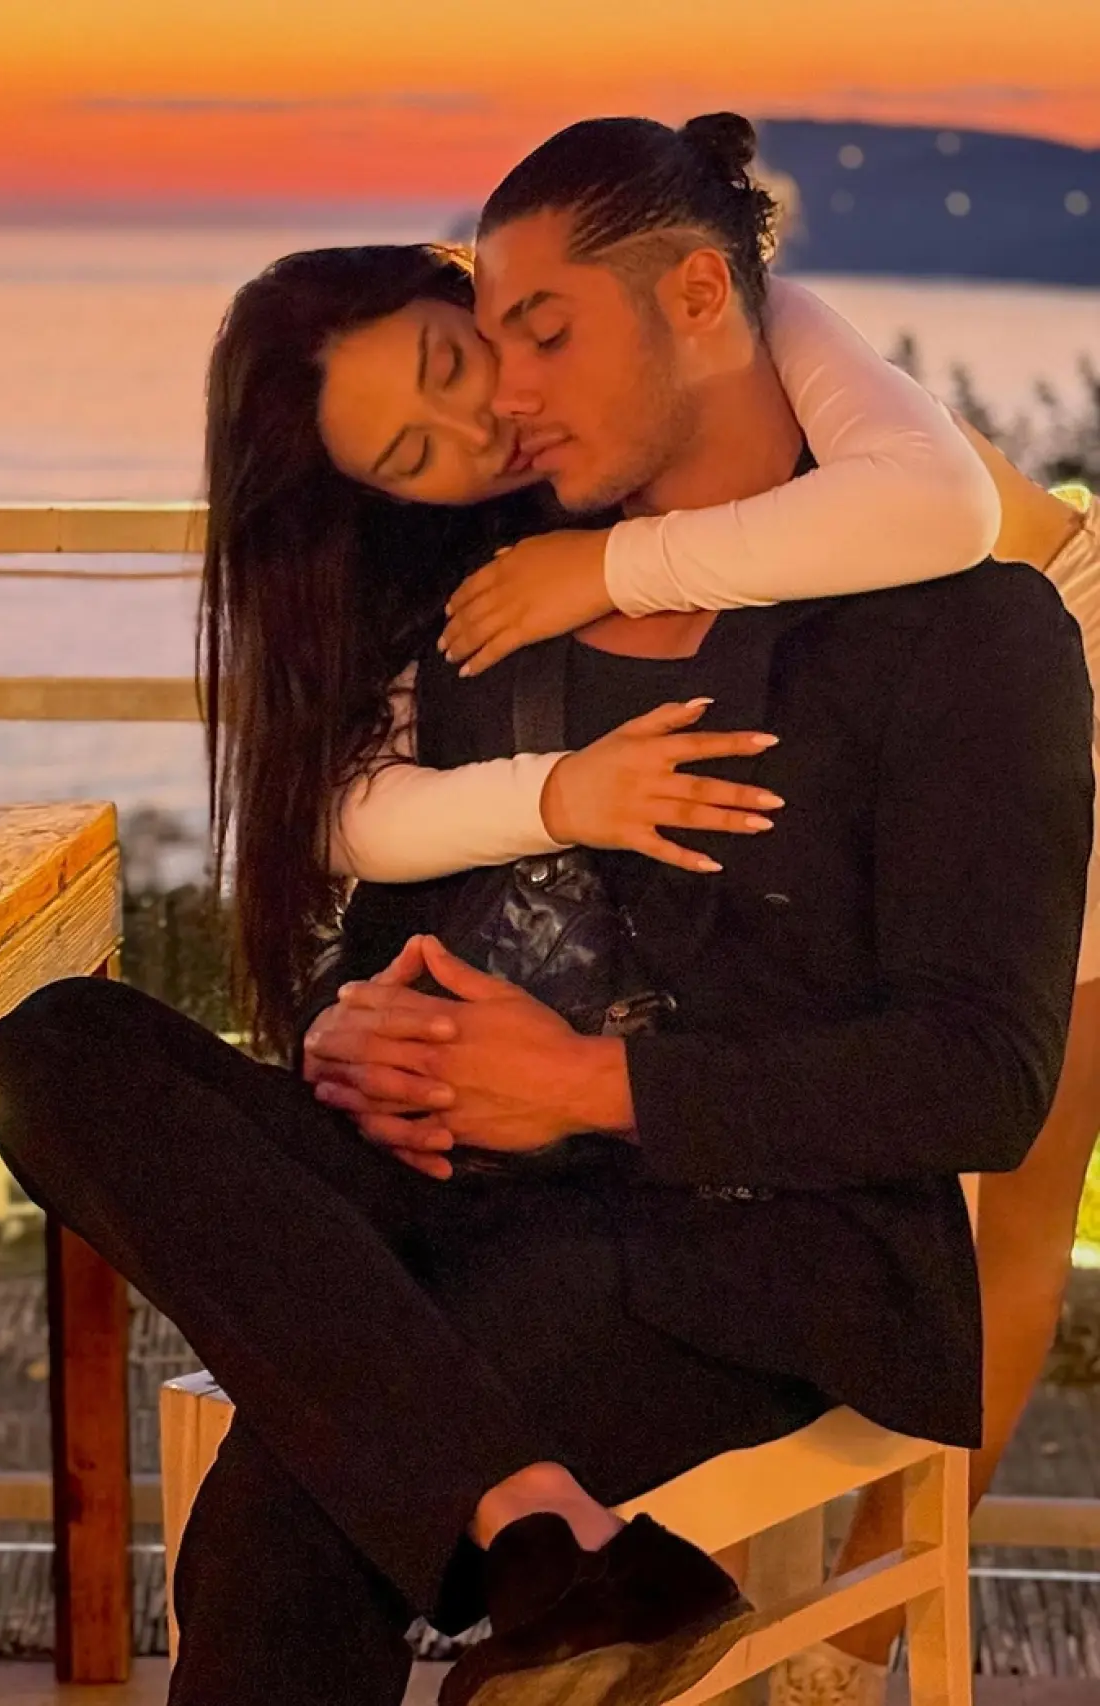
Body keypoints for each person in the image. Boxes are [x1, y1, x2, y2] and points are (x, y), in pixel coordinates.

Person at [0, 113, 1094, 1706]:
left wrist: (585, 1084)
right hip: (460, 1192)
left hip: (732, 1250)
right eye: (490, 344)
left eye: (537, 334)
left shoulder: (960, 631)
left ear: (695, 299)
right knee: (52, 1046)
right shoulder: (494, 600)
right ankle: (538, 1529)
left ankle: (526, 1536)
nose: (505, 393)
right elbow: (409, 905)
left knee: (291, 1513)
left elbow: (981, 1079)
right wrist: (360, 1032)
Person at [315, 281, 1100, 1706]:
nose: (478, 419)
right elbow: (350, 811)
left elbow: (933, 511)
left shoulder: (749, 309)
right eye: (413, 448)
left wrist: (613, 565)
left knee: (1016, 1198)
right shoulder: (531, 473)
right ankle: (697, 1616)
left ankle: (842, 1664)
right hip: (865, 670)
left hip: (1055, 626)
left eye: (460, 360)